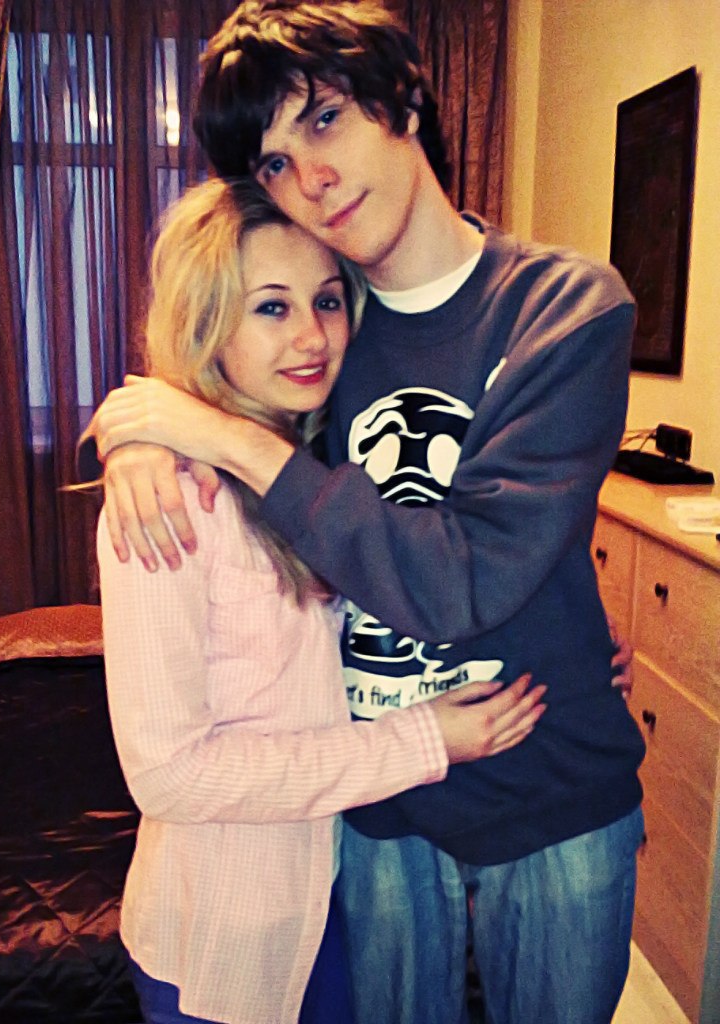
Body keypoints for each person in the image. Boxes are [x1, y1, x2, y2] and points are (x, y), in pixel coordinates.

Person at [85, 3, 645, 1022]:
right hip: (375, 808)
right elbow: (214, 393)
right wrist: (143, 437)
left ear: (404, 103)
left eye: (326, 119)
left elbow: (470, 572)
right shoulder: (324, 327)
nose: (312, 178)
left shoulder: (566, 308)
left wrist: (201, 433)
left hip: (551, 778)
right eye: (274, 163)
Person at [98, 175, 547, 1024]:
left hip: (332, 898)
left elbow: (434, 569)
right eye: (271, 307)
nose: (311, 336)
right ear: (206, 321)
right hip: (226, 937)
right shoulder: (174, 501)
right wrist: (423, 740)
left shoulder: (323, 463)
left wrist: (558, 643)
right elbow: (168, 774)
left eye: (328, 301)